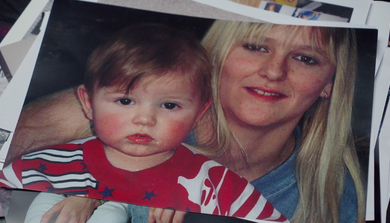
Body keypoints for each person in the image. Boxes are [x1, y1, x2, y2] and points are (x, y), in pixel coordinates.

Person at [7, 21, 366, 223]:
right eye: (256, 47)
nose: (274, 71)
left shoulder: (336, 194)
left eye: (305, 58)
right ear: (219, 54)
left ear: (329, 83)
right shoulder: (105, 115)